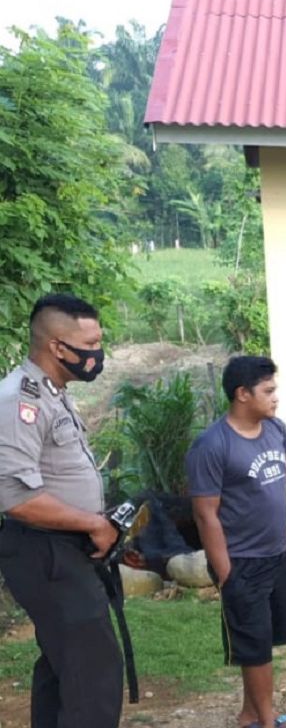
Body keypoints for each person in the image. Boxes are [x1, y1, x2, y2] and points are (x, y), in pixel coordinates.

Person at [0, 293, 123, 728]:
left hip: (65, 550)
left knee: (65, 664)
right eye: (90, 344)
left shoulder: (54, 393)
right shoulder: (21, 400)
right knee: (92, 672)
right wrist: (94, 522)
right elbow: (15, 498)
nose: (97, 352)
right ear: (57, 347)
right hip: (46, 552)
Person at [186, 356, 286, 728]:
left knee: (262, 641)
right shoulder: (212, 445)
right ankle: (269, 723)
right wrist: (225, 572)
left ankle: (248, 715)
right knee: (255, 647)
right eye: (268, 391)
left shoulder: (274, 427)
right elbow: (205, 514)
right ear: (242, 394)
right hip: (240, 560)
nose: (276, 398)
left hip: (275, 553)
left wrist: (270, 486)